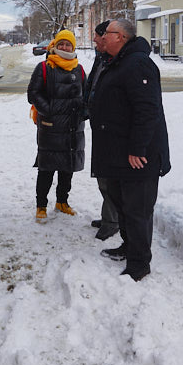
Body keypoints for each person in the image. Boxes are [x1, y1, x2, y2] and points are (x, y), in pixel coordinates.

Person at [88, 18, 170, 281]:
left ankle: (139, 264)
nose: (100, 38)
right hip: (118, 155)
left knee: (137, 211)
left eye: (106, 34)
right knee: (123, 206)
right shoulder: (118, 61)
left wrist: (137, 148)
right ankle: (128, 246)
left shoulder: (138, 64)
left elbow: (148, 110)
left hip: (138, 157)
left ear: (120, 37)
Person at [27, 29, 87, 221]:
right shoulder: (45, 67)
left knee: (67, 168)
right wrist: (50, 110)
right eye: (60, 44)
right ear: (54, 45)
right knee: (46, 168)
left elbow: (86, 95)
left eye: (68, 44)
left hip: (72, 128)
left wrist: (83, 113)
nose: (64, 47)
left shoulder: (79, 69)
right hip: (50, 126)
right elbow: (33, 94)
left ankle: (62, 201)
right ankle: (41, 205)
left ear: (73, 47)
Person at [84, 20, 119, 241]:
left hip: (111, 129)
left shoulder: (115, 63)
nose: (95, 39)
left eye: (98, 36)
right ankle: (109, 216)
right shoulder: (102, 59)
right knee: (102, 175)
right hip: (100, 125)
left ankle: (112, 221)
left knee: (109, 177)